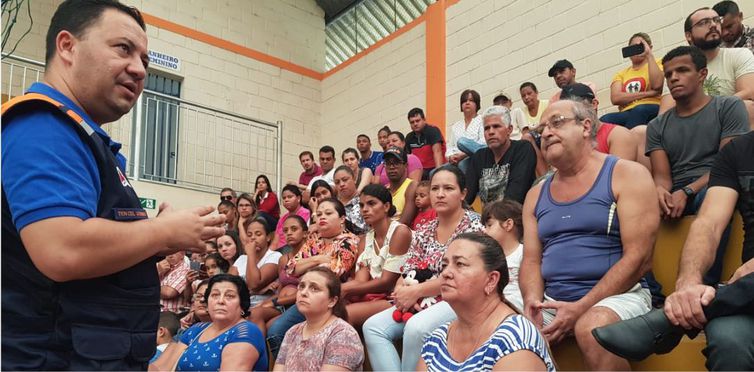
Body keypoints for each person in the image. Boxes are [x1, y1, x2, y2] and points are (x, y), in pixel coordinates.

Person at [1, 1, 226, 369]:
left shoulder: (83, 138)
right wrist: (160, 231)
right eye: (123, 49)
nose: (138, 69)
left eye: (145, 61)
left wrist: (160, 238)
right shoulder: (43, 126)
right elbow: (61, 249)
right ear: (67, 46)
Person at [592, 131, 754, 370]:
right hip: (747, 295)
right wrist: (688, 284)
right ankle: (705, 305)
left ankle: (670, 322)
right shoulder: (739, 151)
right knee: (728, 338)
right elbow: (708, 223)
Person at [520, 98, 659, 370]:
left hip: (620, 297)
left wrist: (581, 306)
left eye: (556, 123)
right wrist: (533, 306)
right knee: (510, 332)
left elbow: (640, 258)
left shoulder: (627, 174)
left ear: (586, 126)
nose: (546, 133)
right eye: (542, 129)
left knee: (592, 327)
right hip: (554, 303)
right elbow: (532, 261)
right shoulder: (535, 194)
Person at [362, 165, 485, 371]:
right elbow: (409, 265)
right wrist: (402, 289)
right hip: (420, 297)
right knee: (373, 327)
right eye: (435, 189)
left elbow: (460, 275)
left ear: (463, 193)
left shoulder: (474, 227)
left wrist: (416, 291)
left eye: (448, 188)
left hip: (458, 297)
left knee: (416, 328)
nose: (440, 194)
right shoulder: (425, 229)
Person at [647, 46, 749, 284]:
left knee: (709, 198)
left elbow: (729, 164)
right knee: (632, 206)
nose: (673, 78)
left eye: (682, 70)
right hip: (679, 187)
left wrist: (688, 191)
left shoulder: (728, 108)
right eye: (669, 73)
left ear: (702, 74)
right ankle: (652, 291)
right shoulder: (656, 126)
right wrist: (661, 192)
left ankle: (703, 286)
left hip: (720, 183)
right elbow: (662, 177)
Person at [418, 233, 555, 371]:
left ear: (491, 280)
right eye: (444, 265)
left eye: (460, 264)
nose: (445, 273)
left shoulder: (515, 338)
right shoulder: (437, 339)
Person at [266, 198, 360, 357]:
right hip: (308, 295)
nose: (322, 217)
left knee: (278, 331)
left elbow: (332, 271)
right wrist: (317, 259)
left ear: (342, 219)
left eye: (328, 213)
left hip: (331, 300)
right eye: (319, 214)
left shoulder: (349, 241)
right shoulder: (314, 240)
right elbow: (290, 268)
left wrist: (306, 263)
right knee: (275, 332)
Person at [149, 274, 268, 371]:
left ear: (242, 306)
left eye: (230, 296)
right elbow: (161, 368)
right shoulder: (196, 330)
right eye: (215, 295)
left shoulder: (246, 331)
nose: (220, 301)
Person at [659, 7, 754, 126]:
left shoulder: (740, 54)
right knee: (641, 131)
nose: (713, 25)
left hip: (730, 121)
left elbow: (749, 92)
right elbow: (664, 114)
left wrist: (709, 113)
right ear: (688, 36)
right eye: (703, 23)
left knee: (747, 107)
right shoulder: (676, 69)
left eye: (716, 20)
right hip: (693, 127)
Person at [343, 184, 412, 327]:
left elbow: (387, 282)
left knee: (343, 314)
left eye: (371, 203)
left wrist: (346, 289)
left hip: (397, 297)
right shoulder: (365, 239)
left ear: (386, 207)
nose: (365, 210)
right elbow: (361, 280)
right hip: (375, 295)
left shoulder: (400, 232)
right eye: (362, 205)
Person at [273, 267, 365, 371]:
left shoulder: (343, 334)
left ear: (332, 301)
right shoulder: (292, 332)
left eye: (314, 288)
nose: (303, 293)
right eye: (301, 286)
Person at [464, 105, 537, 206]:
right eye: (487, 128)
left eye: (496, 126)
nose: (491, 132)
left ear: (509, 130)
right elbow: (466, 196)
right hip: (488, 220)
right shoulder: (479, 157)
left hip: (516, 218)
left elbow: (516, 194)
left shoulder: (522, 149)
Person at [249, 215, 308, 336]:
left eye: (294, 229)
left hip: (297, 305)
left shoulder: (311, 258)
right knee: (253, 312)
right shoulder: (283, 259)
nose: (289, 233)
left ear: (305, 233)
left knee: (270, 326)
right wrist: (267, 302)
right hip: (281, 305)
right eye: (285, 231)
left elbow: (305, 291)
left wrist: (275, 302)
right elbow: (280, 289)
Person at [600, 32, 663, 129]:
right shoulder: (621, 74)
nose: (637, 50)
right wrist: (649, 93)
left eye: (640, 47)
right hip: (627, 111)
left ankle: (630, 142)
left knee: (639, 110)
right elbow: (616, 98)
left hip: (650, 106)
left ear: (649, 47)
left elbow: (657, 85)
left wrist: (649, 55)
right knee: (605, 119)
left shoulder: (657, 63)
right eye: (633, 48)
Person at [481, 200, 525, 312]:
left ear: (508, 224)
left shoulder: (524, 253)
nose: (485, 231)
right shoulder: (487, 257)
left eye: (489, 225)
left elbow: (526, 292)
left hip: (515, 310)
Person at [236, 217, 281, 307]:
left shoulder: (275, 256)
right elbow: (229, 286)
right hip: (240, 307)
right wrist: (259, 291)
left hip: (263, 306)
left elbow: (254, 284)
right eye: (249, 235)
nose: (253, 238)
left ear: (268, 237)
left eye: (258, 234)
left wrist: (251, 254)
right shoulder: (241, 259)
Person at [446, 89, 485, 174]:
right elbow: (450, 146)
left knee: (462, 142)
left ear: (477, 104)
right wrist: (451, 157)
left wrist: (463, 155)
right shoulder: (456, 126)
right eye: (464, 101)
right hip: (456, 160)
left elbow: (483, 143)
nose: (467, 103)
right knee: (434, 172)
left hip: (475, 156)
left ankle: (468, 187)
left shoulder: (482, 120)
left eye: (471, 100)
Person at [405, 107, 447, 179]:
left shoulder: (433, 131)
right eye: (412, 122)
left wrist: (438, 174)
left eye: (417, 121)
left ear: (424, 120)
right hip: (420, 170)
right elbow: (407, 158)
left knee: (432, 173)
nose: (415, 124)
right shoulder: (409, 137)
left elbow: (437, 152)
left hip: (435, 167)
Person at [383, 146, 419, 225]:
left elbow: (404, 222)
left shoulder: (412, 186)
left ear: (405, 165)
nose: (392, 167)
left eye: (396, 163)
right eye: (388, 163)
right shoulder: (384, 189)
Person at [272, 184, 310, 250]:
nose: (286, 200)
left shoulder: (306, 213)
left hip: (295, 249)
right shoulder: (282, 219)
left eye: (289, 197)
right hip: (279, 251)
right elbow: (275, 242)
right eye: (284, 198)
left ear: (298, 198)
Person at [334, 165, 368, 235]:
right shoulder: (333, 206)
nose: (341, 184)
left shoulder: (365, 202)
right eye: (337, 182)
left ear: (354, 179)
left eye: (345, 180)